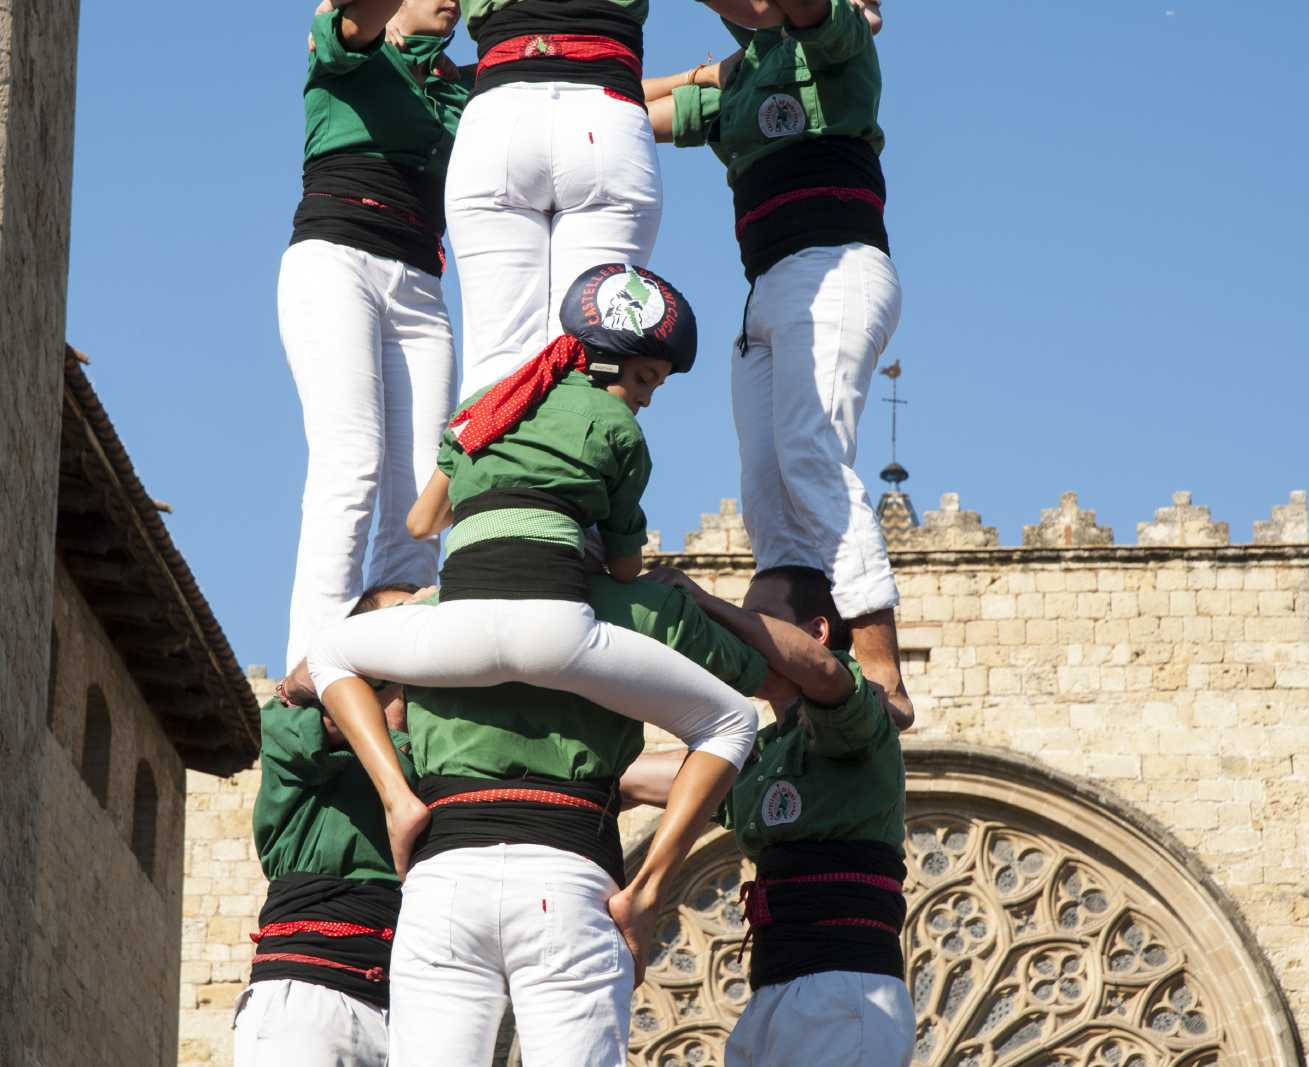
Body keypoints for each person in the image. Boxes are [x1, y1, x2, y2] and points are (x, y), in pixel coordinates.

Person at [302, 264, 759, 890]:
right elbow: (625, 567)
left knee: (328, 652)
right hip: (557, 634)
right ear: (605, 363)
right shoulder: (619, 428)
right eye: (647, 377)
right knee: (733, 721)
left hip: (457, 633)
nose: (648, 395)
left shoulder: (481, 412)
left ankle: (396, 798)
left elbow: (419, 522)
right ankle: (648, 890)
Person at [644, 0, 914, 728]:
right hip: (765, 294)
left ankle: (883, 661)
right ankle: (802, 661)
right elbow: (624, 108)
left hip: (833, 266)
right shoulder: (745, 77)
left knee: (808, 454)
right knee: (769, 497)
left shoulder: (839, 43)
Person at [388, 577, 784, 1067]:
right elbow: (775, 682)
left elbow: (316, 671)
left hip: (446, 877)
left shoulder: (435, 611)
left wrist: (394, 795)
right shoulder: (638, 607)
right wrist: (650, 890)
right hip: (565, 876)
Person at [622, 563, 913, 1067]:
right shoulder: (763, 751)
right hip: (773, 993)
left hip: (845, 992)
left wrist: (711, 604)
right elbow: (665, 778)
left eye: (757, 622)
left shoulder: (863, 720)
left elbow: (824, 674)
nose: (744, 639)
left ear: (817, 632)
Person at [279, 0, 473, 678]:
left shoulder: (459, 85)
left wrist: (706, 80)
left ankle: (401, 670)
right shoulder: (349, 39)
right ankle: (314, 665)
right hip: (337, 260)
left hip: (420, 287)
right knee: (351, 460)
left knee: (426, 490)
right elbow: (355, 22)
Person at [235, 584, 428, 1067]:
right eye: (395, 623)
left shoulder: (445, 756)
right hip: (311, 1003)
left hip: (414, 1012)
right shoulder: (299, 724)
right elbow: (307, 681)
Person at [445, 0, 667, 397]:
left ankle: (490, 454)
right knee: (586, 358)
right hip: (606, 114)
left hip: (502, 111)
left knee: (496, 360)